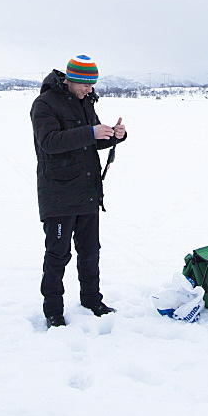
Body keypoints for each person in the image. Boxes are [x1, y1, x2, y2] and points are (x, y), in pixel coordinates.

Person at [31, 55, 127, 328]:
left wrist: (113, 135)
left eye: (92, 85)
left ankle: (91, 299)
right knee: (57, 255)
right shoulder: (44, 104)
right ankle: (53, 310)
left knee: (90, 250)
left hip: (86, 190)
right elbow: (49, 142)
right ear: (71, 80)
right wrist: (90, 132)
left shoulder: (86, 102)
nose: (90, 90)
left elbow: (89, 141)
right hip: (59, 193)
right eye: (86, 84)